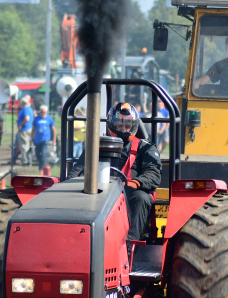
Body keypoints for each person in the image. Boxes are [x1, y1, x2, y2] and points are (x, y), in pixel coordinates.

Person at [68, 102, 161, 241]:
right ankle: (76, 239)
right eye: (119, 125)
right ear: (111, 124)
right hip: (97, 192)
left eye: (128, 125)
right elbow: (78, 169)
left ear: (134, 126)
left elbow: (153, 173)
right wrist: (72, 182)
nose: (124, 129)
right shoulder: (97, 146)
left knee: (142, 198)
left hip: (130, 194)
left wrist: (136, 183)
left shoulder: (146, 147)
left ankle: (130, 245)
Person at [31, 105, 56, 172]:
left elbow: (53, 130)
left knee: (43, 152)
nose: (42, 113)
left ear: (46, 112)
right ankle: (42, 163)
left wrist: (54, 140)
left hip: (46, 138)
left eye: (44, 112)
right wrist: (31, 137)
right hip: (37, 139)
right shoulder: (36, 118)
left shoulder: (49, 119)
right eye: (41, 112)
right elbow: (33, 129)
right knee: (37, 153)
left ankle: (41, 167)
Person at [13, 97, 33, 166]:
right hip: (28, 128)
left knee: (23, 145)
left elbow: (27, 118)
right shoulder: (30, 109)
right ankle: (26, 159)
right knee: (26, 144)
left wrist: (20, 124)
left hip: (24, 129)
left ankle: (25, 160)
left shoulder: (25, 109)